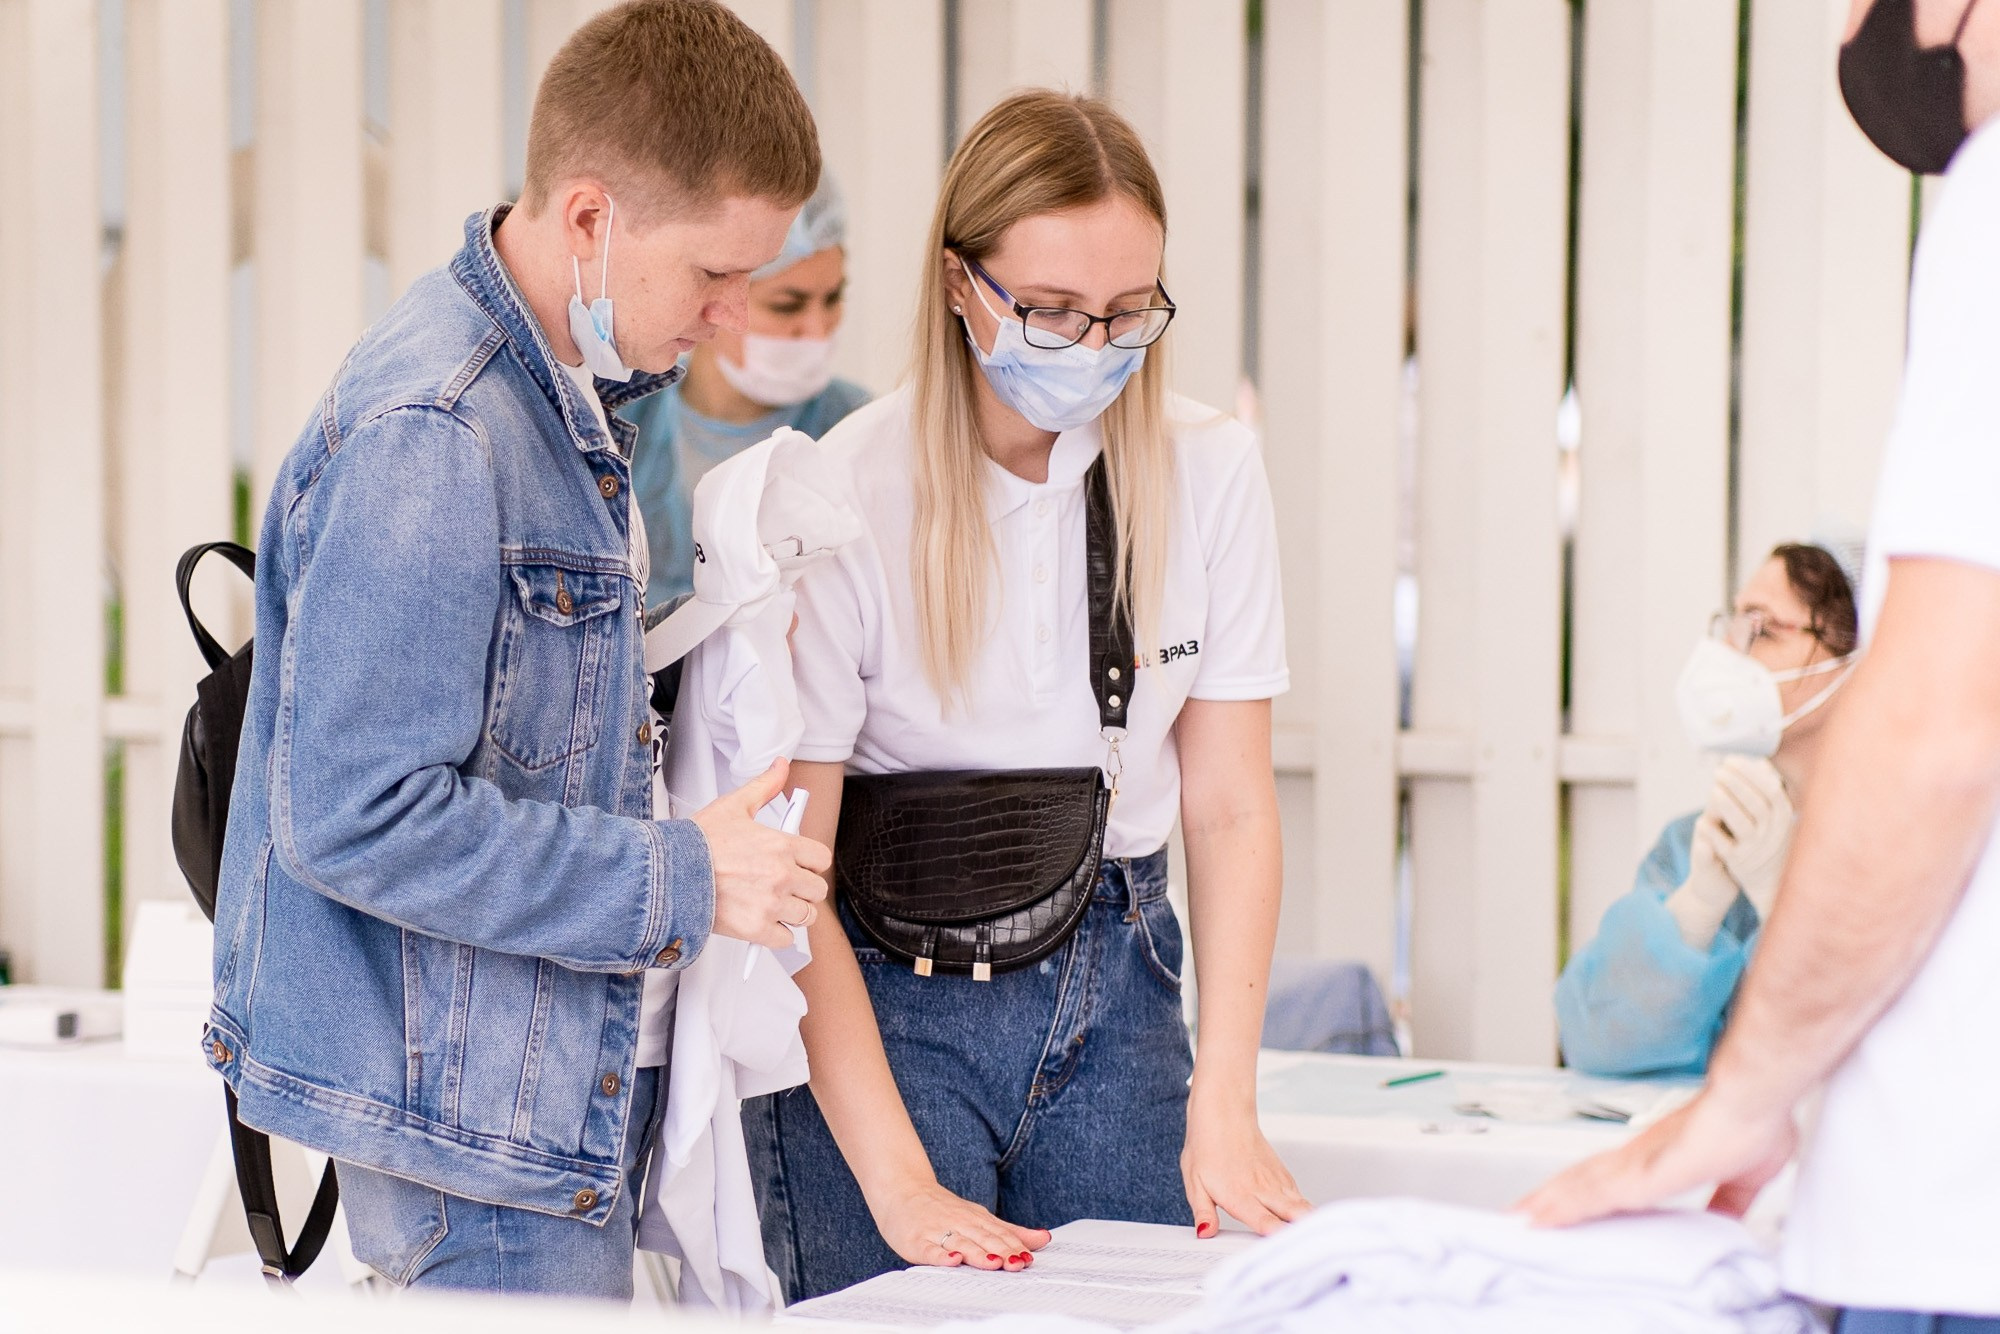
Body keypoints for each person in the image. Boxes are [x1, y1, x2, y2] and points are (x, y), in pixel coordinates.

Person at [204, 1, 833, 1299]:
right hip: (480, 1148)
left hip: (519, 1113)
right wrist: (679, 876)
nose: (730, 321)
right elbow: (357, 817)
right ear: (592, 218)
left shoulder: (551, 402)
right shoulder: (438, 430)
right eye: (716, 275)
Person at [741, 89, 1311, 1303]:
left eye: (1126, 313)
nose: (1092, 346)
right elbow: (792, 878)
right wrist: (894, 1179)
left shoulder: (1209, 473)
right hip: (879, 1007)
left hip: (1123, 987)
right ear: (959, 283)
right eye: (1049, 310)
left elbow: (1227, 808)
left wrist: (1224, 1099)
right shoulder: (843, 494)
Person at [1524, 1, 2000, 1328]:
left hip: (1957, 1227)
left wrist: (1744, 1099)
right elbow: (1600, 1024)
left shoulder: (1993, 205)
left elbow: (1940, 727)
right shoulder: (1707, 834)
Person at [1556, 544, 1859, 1078]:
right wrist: (1695, 911)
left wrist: (1782, 900)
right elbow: (1593, 1045)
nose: (1727, 651)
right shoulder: (1699, 842)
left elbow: (1876, 1068)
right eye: (1734, 623)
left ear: (1856, 663)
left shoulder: (1907, 852)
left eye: (1762, 629)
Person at [621, 174, 870, 611]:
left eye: (833, 298)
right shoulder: (623, 420)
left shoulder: (859, 428)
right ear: (714, 295)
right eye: (787, 304)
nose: (817, 328)